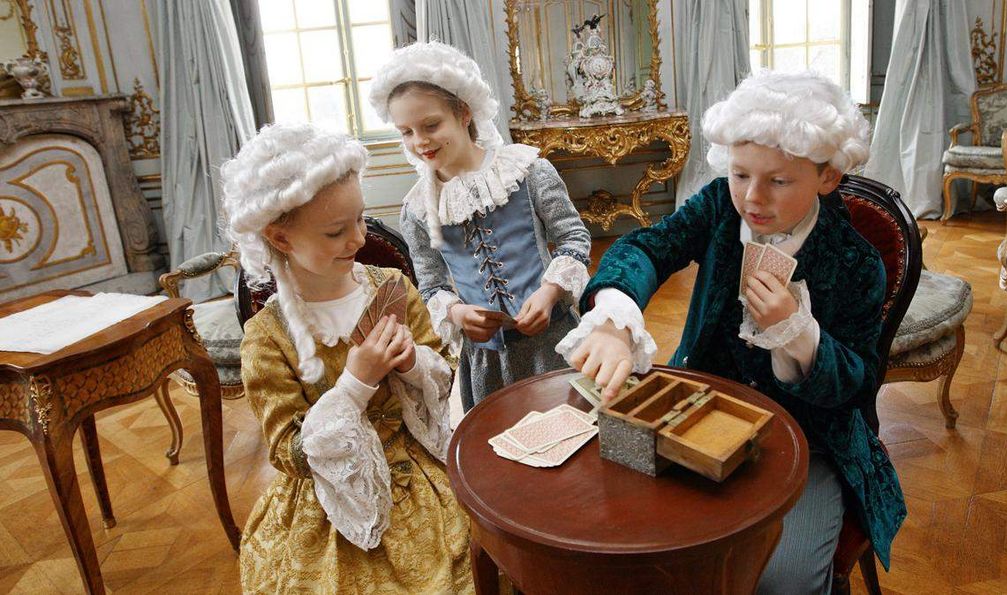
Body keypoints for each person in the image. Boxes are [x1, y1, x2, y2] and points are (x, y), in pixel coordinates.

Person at [556, 70, 906, 593]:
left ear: (827, 176)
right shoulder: (719, 205)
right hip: (696, 408)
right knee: (621, 531)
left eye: (778, 181)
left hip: (810, 442)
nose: (752, 197)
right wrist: (613, 317)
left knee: (781, 581)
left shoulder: (855, 262)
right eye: (741, 174)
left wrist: (798, 335)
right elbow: (647, 247)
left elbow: (857, 384)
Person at [222, 123, 471, 593]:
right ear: (280, 239)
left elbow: (446, 379)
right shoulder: (267, 337)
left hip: (420, 472)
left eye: (361, 218)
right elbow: (287, 452)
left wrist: (413, 363)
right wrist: (354, 384)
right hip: (334, 498)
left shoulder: (391, 288)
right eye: (337, 231)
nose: (358, 238)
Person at [368, 41, 592, 411]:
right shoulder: (417, 210)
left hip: (552, 342)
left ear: (464, 113)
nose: (419, 141)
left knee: (568, 433)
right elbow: (432, 284)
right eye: (406, 131)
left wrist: (551, 290)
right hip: (487, 360)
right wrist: (457, 313)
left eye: (431, 124)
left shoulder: (528, 172)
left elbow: (574, 236)